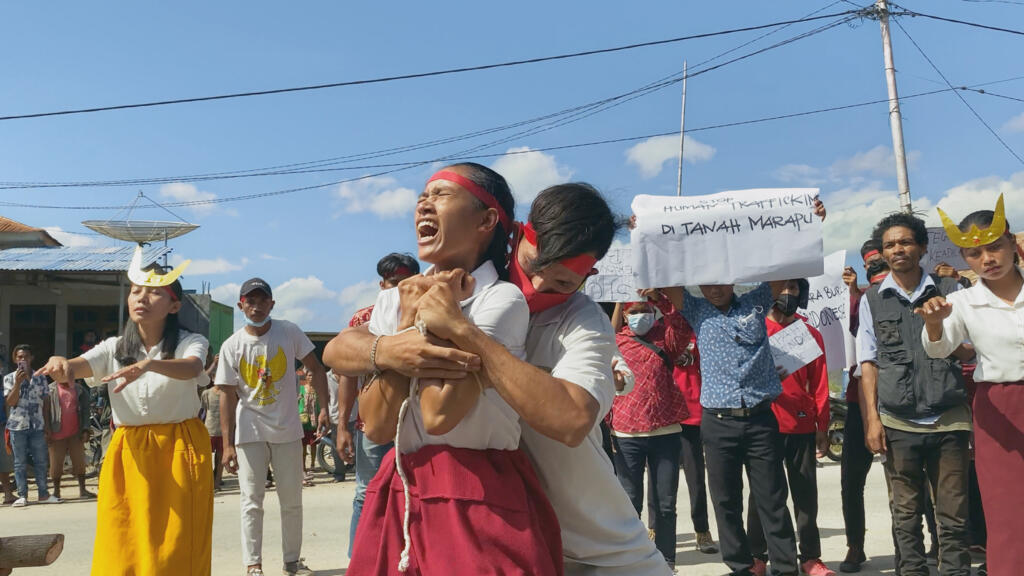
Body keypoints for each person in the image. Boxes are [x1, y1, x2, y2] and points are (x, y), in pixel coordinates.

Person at [326, 182, 670, 575]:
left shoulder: (583, 323)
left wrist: (468, 335)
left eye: (562, 283)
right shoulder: (470, 292)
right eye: (533, 267)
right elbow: (341, 347)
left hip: (599, 550)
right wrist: (391, 349)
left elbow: (571, 421)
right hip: (511, 527)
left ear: (587, 278)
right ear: (518, 235)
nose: (537, 287)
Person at [342, 163, 562, 575]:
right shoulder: (397, 299)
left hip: (476, 491)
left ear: (486, 220)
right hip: (402, 485)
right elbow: (375, 424)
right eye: (423, 195)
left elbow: (439, 414)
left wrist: (437, 319)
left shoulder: (502, 300)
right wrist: (407, 323)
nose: (424, 203)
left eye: (441, 195)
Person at [36, 250, 213, 575]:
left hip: (178, 448)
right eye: (135, 290)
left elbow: (193, 368)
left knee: (175, 548)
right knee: (121, 545)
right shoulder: (114, 347)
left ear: (174, 305)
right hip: (127, 450)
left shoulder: (191, 341)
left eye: (154, 292)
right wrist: (62, 364)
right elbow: (76, 366)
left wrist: (149, 365)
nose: (141, 297)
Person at [857, 212, 973, 576]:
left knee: (953, 515)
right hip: (898, 421)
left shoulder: (952, 292)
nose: (898, 249)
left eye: (905, 242)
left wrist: (938, 328)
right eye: (890, 244)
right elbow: (868, 363)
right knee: (904, 516)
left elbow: (969, 352)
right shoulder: (872, 299)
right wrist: (872, 421)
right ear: (883, 252)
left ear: (921, 247)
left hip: (949, 418)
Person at [917, 195, 1023, 576]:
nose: (987, 259)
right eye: (974, 254)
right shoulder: (961, 301)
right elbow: (940, 347)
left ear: (1013, 243)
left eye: (994, 247)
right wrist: (933, 322)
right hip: (998, 408)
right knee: (1007, 512)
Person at [216, 277, 331, 576]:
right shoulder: (232, 345)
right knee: (251, 501)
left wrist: (322, 410)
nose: (256, 307)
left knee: (291, 500)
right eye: (250, 301)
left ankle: (292, 561)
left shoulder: (288, 331)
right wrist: (227, 444)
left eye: (261, 300)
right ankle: (253, 564)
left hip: (288, 430)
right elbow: (226, 395)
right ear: (241, 305)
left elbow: (316, 368)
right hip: (249, 432)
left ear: (272, 304)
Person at [746, 279, 835, 576]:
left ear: (802, 293)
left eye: (794, 289)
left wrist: (822, 424)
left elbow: (820, 382)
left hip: (801, 425)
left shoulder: (808, 333)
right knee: (761, 496)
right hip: (762, 425)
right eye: (780, 287)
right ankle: (757, 557)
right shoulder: (754, 329)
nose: (786, 294)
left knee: (805, 494)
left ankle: (810, 557)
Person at [340, 252, 420, 555]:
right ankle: (358, 560)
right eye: (392, 283)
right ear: (381, 284)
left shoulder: (429, 315)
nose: (398, 289)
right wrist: (342, 426)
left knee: (413, 492)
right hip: (371, 425)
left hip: (417, 422)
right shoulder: (363, 320)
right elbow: (348, 374)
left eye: (405, 283)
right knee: (366, 493)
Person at [609, 291, 690, 569]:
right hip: (626, 433)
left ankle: (666, 560)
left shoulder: (664, 340)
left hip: (665, 432)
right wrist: (619, 301)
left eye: (645, 310)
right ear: (625, 316)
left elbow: (682, 326)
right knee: (630, 503)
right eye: (633, 312)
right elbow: (603, 343)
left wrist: (660, 300)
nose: (639, 316)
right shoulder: (616, 342)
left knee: (666, 504)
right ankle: (632, 560)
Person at [838, 240, 886, 573]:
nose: (877, 270)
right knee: (851, 480)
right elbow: (846, 326)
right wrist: (853, 292)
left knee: (914, 477)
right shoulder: (858, 299)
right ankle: (855, 545)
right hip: (860, 403)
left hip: (902, 402)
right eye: (872, 266)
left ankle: (931, 543)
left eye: (880, 264)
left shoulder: (914, 294)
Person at [3, 344, 58, 507]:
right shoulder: (9, 378)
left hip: (37, 424)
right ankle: (22, 495)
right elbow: (10, 402)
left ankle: (43, 494)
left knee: (41, 461)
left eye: (26, 357)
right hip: (17, 425)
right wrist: (17, 384)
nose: (23, 360)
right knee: (19, 462)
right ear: (15, 359)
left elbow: (46, 402)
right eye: (20, 357)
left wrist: (47, 425)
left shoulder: (40, 377)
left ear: (31, 358)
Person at [47, 377, 95, 500]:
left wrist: (85, 429)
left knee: (79, 461)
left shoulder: (79, 389)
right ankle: (56, 491)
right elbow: (45, 412)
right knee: (56, 464)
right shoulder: (50, 390)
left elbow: (85, 411)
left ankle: (83, 490)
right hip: (56, 432)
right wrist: (46, 430)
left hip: (76, 432)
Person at [201, 355, 224, 490]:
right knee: (207, 458)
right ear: (213, 378)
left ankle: (217, 482)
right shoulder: (207, 393)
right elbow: (203, 411)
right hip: (209, 429)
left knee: (220, 458)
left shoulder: (227, 394)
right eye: (216, 377)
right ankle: (208, 481)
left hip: (223, 430)